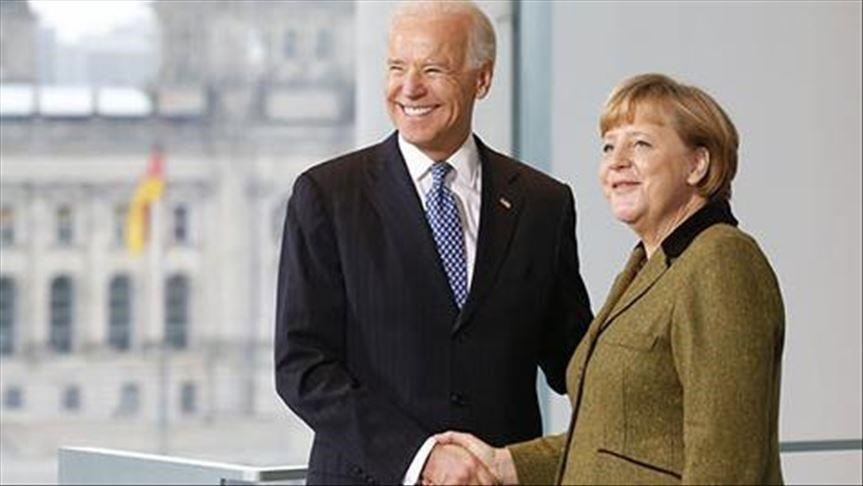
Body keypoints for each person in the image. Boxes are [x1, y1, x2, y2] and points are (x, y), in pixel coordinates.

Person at [274, 1, 593, 484]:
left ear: (482, 79)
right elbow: (303, 366)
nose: (410, 88)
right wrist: (421, 458)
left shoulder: (543, 202)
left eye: (433, 69)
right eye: (397, 67)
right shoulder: (328, 195)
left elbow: (573, 355)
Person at [436, 73, 786, 485]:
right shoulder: (646, 267)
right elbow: (610, 442)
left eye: (640, 144)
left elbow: (726, 463)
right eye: (608, 146)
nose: (616, 162)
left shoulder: (720, 260)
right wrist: (502, 464)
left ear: (698, 164)